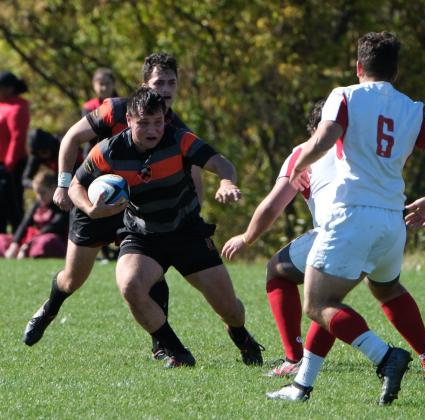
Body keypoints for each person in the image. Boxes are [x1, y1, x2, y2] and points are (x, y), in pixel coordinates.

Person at [266, 31, 425, 405]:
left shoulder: (345, 95)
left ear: (358, 67)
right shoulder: (412, 109)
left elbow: (324, 139)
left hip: (350, 215)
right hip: (391, 222)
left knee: (317, 305)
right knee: (367, 294)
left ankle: (386, 356)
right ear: (396, 71)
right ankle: (302, 386)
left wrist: (297, 167)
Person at [22, 53, 239, 363]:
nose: (165, 89)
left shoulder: (173, 126)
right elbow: (71, 137)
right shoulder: (115, 109)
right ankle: (48, 309)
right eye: (158, 82)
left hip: (139, 207)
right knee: (73, 277)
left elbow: (195, 170)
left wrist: (194, 212)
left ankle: (163, 346)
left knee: (149, 272)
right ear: (143, 85)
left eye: (171, 83)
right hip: (96, 199)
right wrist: (62, 183)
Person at [222, 99, 425, 380]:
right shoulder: (363, 147)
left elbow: (272, 206)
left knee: (280, 272)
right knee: (387, 289)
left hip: (341, 229)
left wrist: (247, 238)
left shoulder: (304, 152)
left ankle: (297, 358)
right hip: (390, 226)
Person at [68, 86, 263, 367]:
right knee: (130, 286)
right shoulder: (108, 150)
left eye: (157, 122)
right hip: (143, 234)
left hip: (186, 232)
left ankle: (242, 337)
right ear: (130, 121)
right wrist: (89, 208)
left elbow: (221, 162)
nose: (153, 129)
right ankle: (178, 352)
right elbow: (77, 184)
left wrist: (226, 181)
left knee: (230, 309)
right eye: (144, 123)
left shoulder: (179, 139)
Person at [0, 169, 68, 259]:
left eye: (42, 193)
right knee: (2, 239)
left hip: (50, 238)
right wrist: (15, 244)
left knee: (46, 241)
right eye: (37, 193)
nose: (39, 197)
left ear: (53, 189)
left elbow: (53, 226)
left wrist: (28, 244)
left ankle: (28, 251)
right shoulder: (36, 204)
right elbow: (24, 225)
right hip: (32, 238)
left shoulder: (62, 205)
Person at [0, 71, 30, 233]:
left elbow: (17, 138)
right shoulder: (2, 105)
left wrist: (9, 164)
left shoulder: (18, 108)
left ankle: (19, 237)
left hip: (11, 166)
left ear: (9, 89)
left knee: (12, 202)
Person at [81, 67, 118, 156]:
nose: (104, 87)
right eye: (101, 84)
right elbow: (87, 133)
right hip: (93, 153)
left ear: (113, 84)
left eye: (107, 83)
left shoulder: (124, 104)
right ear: (94, 86)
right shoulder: (89, 107)